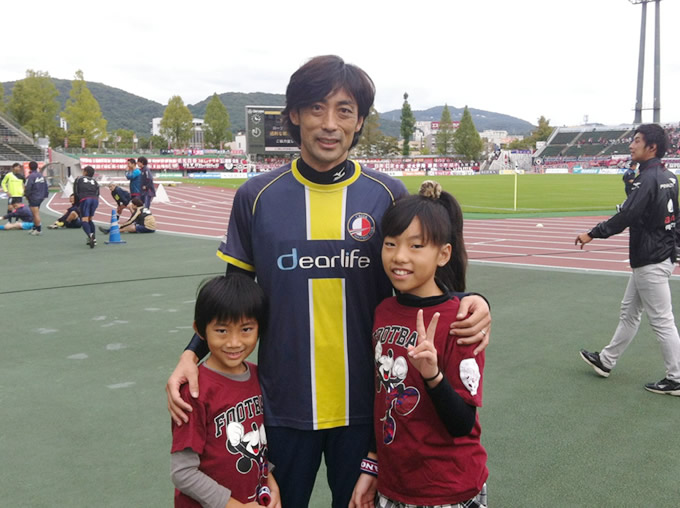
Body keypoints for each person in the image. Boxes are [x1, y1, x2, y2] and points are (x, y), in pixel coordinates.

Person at [166, 55, 492, 508]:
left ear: (359, 121)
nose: (330, 124)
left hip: (368, 409)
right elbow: (234, 298)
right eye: (317, 108)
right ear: (294, 115)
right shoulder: (255, 196)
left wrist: (475, 299)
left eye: (344, 110)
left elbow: (427, 274)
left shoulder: (387, 194)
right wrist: (191, 352)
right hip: (281, 405)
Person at [351, 180, 487, 508]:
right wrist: (372, 465)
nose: (399, 257)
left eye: (416, 246)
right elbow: (383, 398)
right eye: (390, 243)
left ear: (443, 254)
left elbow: (463, 423)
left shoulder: (462, 320)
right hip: (395, 484)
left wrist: (433, 376)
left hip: (447, 488)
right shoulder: (384, 311)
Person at [576, 123, 680, 396]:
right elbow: (664, 214)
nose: (631, 145)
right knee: (629, 313)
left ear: (652, 147)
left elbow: (628, 215)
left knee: (662, 320)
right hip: (658, 255)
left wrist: (592, 233)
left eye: (637, 141)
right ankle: (606, 360)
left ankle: (677, 378)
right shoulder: (668, 176)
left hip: (650, 258)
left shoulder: (648, 179)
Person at [171, 274, 281, 508]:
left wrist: (270, 482)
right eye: (222, 331)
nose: (234, 342)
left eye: (246, 329)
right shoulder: (194, 391)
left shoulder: (258, 376)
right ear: (200, 330)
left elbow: (257, 446)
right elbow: (183, 473)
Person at [73, 165, 100, 248]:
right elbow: (98, 193)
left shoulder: (79, 179)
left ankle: (90, 236)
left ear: (85, 172)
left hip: (85, 199)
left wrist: (77, 204)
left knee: (84, 220)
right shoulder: (95, 181)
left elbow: (76, 191)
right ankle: (94, 238)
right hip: (95, 199)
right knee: (90, 219)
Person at [24, 161, 49, 236]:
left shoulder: (31, 176)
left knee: (35, 214)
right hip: (41, 196)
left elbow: (28, 187)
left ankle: (38, 229)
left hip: (34, 196)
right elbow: (46, 185)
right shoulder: (41, 176)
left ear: (29, 167)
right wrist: (45, 194)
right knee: (35, 213)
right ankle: (35, 227)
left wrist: (27, 195)